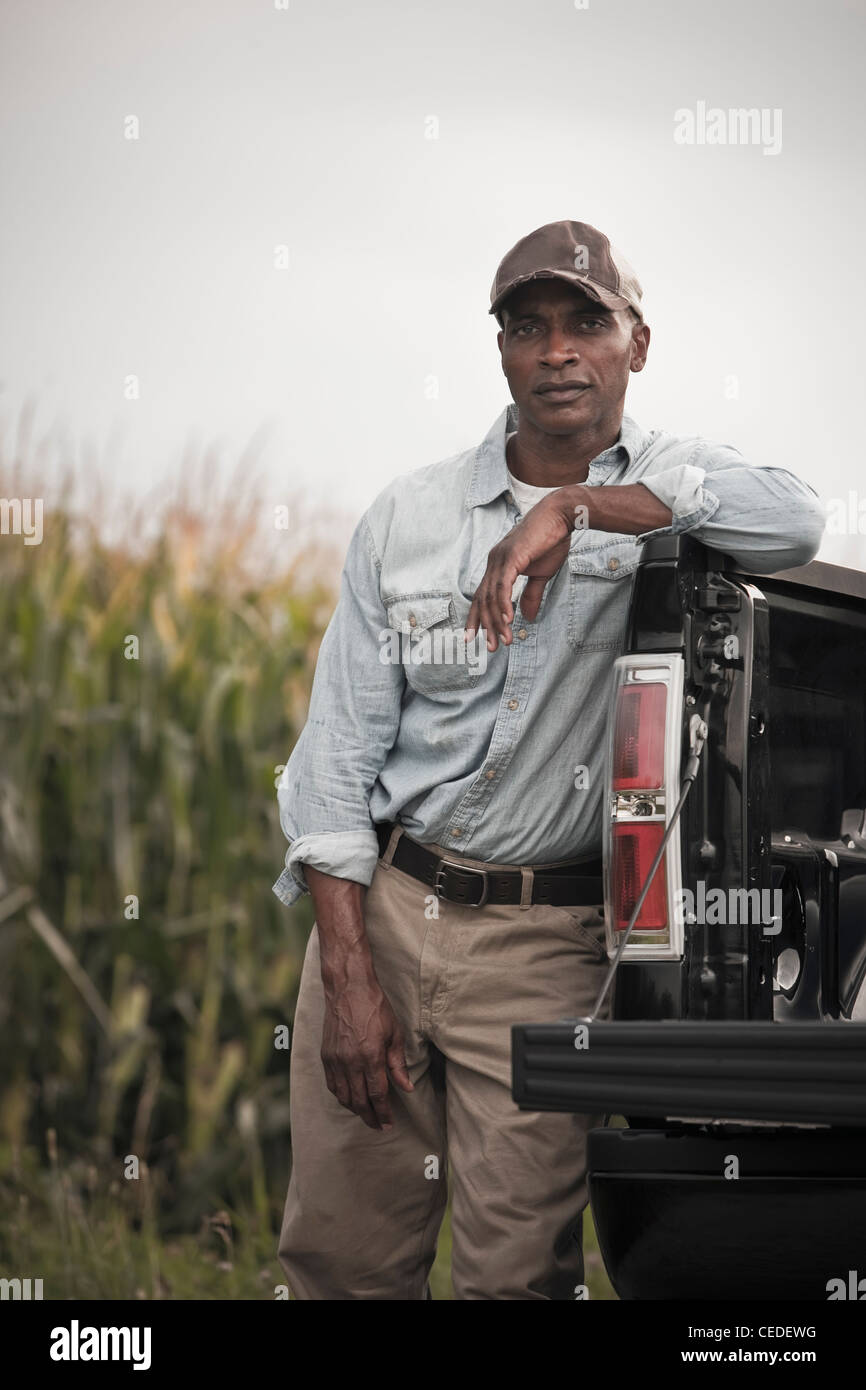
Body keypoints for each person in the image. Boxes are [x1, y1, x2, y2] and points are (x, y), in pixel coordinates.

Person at [272, 219, 826, 1300]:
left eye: (586, 321)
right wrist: (345, 973)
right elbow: (333, 760)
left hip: (550, 944)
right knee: (340, 1266)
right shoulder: (408, 516)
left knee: (513, 1277)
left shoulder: (674, 480)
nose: (556, 349)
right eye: (528, 327)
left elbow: (795, 519)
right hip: (384, 911)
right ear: (501, 352)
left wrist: (579, 511)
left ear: (637, 342)